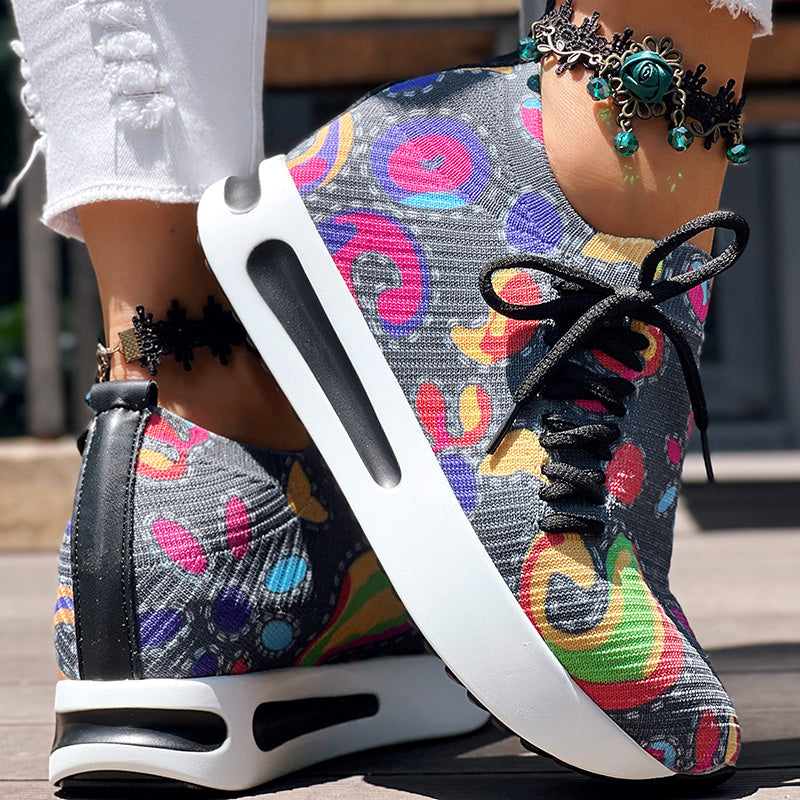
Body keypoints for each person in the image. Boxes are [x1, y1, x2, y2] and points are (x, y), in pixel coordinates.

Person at [6, 0, 770, 791]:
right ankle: (596, 193)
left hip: (182, 520)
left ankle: (196, 466)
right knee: (626, 143)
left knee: (173, 348)